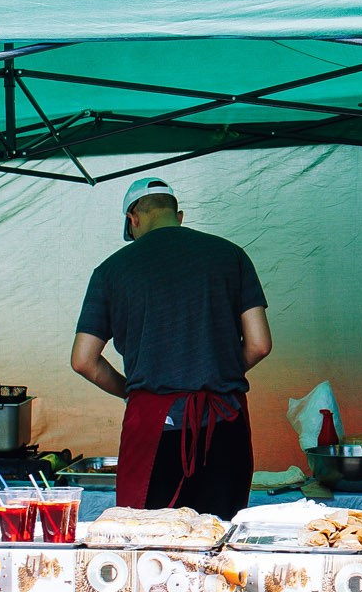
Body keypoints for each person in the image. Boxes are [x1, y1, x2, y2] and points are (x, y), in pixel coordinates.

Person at [71, 177, 272, 517]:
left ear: (133, 219)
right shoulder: (231, 255)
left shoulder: (110, 272)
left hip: (154, 426)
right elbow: (259, 344)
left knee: (152, 542)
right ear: (178, 216)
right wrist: (215, 371)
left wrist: (132, 392)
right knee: (218, 537)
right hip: (225, 425)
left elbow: (83, 360)